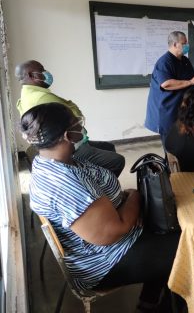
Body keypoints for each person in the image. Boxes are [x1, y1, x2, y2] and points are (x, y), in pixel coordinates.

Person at [20, 103, 180, 313]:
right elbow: (114, 231)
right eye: (76, 123)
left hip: (113, 242)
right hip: (106, 260)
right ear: (67, 134)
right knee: (186, 243)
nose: (81, 127)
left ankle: (151, 300)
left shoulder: (52, 162)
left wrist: (125, 203)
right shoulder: (64, 184)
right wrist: (135, 197)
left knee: (169, 225)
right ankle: (176, 303)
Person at [15, 60, 125, 177]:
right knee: (117, 161)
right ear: (32, 75)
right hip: (67, 147)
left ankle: (101, 177)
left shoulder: (27, 96)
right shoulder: (41, 98)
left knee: (109, 147)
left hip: (57, 144)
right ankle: (100, 183)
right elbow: (75, 117)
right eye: (42, 70)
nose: (46, 73)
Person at [145, 31, 194, 142]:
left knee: (184, 144)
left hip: (182, 109)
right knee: (171, 146)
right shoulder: (164, 62)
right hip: (167, 111)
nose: (187, 46)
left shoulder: (185, 61)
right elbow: (167, 84)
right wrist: (189, 82)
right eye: (184, 43)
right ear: (175, 44)